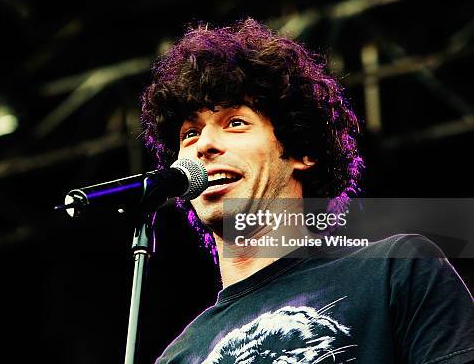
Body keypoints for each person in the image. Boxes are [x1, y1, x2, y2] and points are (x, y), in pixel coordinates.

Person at [140, 18, 474, 363]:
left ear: (303, 151)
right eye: (189, 134)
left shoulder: (395, 269)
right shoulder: (179, 356)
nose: (204, 145)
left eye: (235, 123)